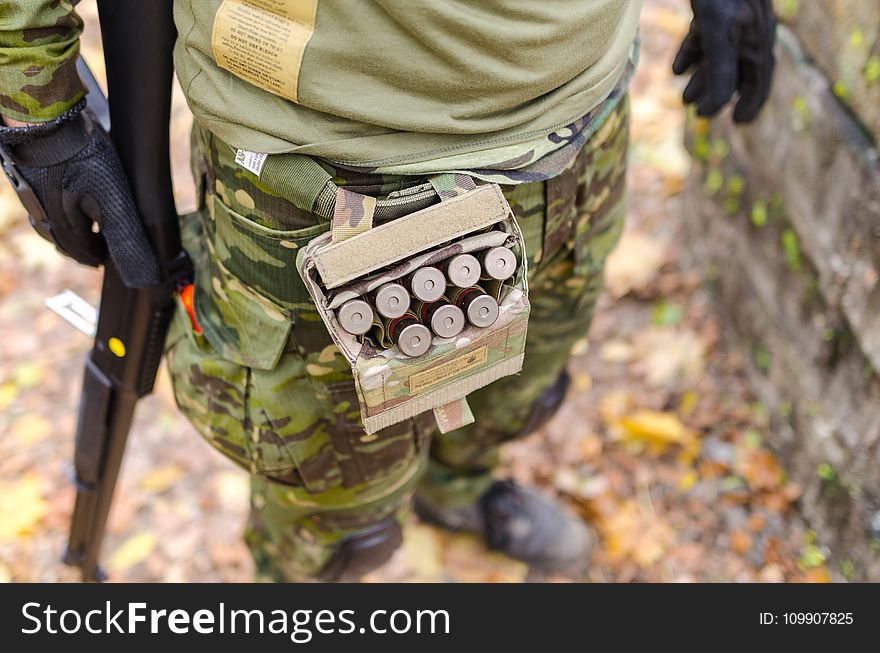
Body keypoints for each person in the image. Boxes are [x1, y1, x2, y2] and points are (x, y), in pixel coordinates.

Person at [0, 0, 776, 581]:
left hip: (579, 113)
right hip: (330, 171)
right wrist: (36, 102)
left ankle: (458, 487)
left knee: (523, 390)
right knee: (334, 520)